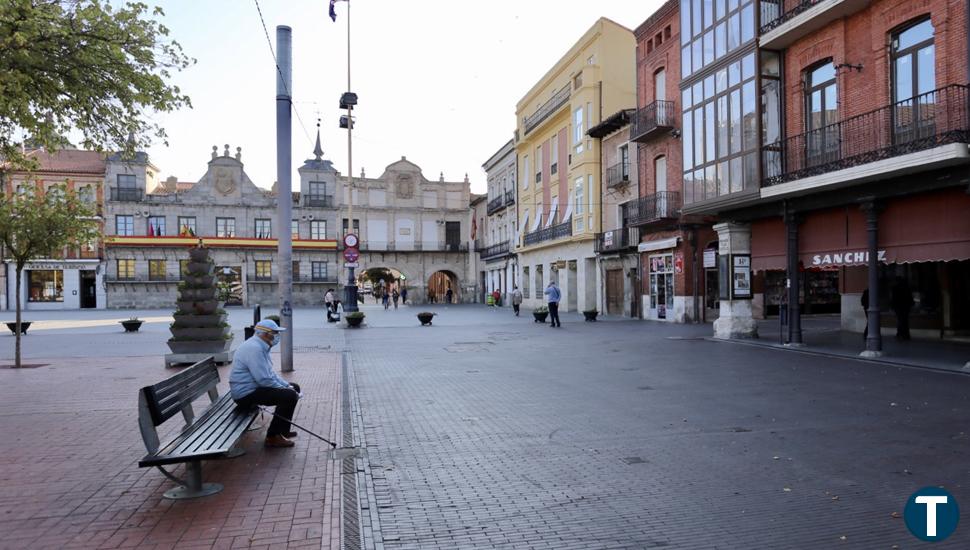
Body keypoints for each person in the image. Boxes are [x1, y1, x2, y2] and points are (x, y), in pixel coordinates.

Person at [229, 319, 301, 448]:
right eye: (274, 333)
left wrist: (287, 386)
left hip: (254, 388)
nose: (276, 336)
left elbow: (270, 374)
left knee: (294, 388)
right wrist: (287, 390)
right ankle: (273, 436)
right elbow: (264, 379)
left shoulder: (261, 346)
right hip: (245, 394)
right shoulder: (254, 349)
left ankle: (283, 430)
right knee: (288, 396)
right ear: (264, 334)